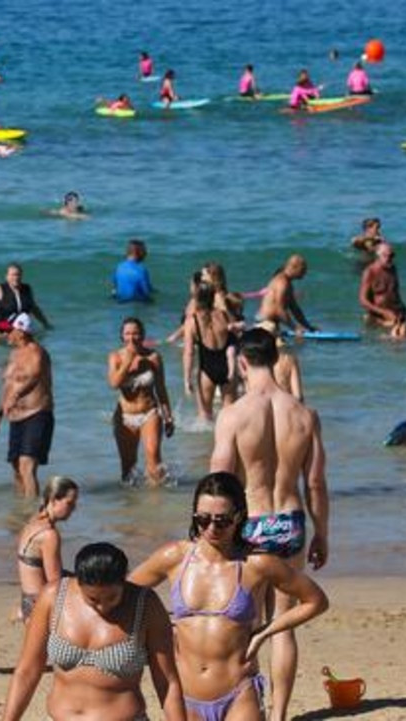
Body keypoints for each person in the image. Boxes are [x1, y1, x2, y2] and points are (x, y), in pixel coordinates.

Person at [129, 472, 329, 721]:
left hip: (238, 694)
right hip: (185, 697)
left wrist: (267, 631)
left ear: (239, 516)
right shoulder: (175, 557)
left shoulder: (256, 563)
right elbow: (125, 593)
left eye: (221, 521)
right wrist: (159, 625)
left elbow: (316, 601)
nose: (211, 528)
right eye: (202, 519)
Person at [209, 329, 328, 721]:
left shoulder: (234, 414)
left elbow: (220, 480)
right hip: (291, 522)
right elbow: (314, 482)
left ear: (242, 362)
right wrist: (322, 533)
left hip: (253, 525)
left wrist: (208, 535)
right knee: (283, 624)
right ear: (277, 359)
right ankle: (277, 715)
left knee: (247, 623)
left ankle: (248, 708)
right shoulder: (304, 414)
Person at [3, 542, 184, 721]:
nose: (103, 606)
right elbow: (27, 671)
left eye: (112, 597)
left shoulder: (145, 605)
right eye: (93, 599)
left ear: (124, 582)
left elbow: (167, 683)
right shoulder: (53, 596)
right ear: (78, 582)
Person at [0, 314, 55, 498]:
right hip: (16, 417)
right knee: (15, 467)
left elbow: (34, 376)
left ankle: (34, 514)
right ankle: (21, 514)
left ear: (20, 331)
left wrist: (17, 395)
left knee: (26, 465)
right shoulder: (13, 354)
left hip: (37, 413)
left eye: (7, 330)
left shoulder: (38, 353)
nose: (5, 334)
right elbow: (8, 385)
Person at [109, 317, 173, 485]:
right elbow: (114, 383)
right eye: (127, 334)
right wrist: (128, 361)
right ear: (122, 336)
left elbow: (161, 389)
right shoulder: (115, 357)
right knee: (128, 466)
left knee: (153, 458)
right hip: (125, 416)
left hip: (149, 412)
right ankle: (132, 506)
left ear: (143, 335)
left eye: (136, 333)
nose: (132, 337)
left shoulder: (153, 357)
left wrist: (168, 417)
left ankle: (156, 502)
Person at [14, 476, 78, 622]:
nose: (74, 509)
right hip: (40, 605)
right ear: (54, 499)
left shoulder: (33, 522)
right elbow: (54, 582)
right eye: (70, 503)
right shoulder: (49, 535)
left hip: (27, 601)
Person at [183, 284, 238, 421]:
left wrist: (187, 379)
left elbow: (188, 353)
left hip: (207, 370)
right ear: (213, 298)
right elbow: (237, 333)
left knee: (204, 416)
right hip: (227, 366)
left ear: (196, 299)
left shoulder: (192, 322)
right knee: (229, 413)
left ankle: (207, 442)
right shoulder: (223, 315)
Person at [0, 263, 51, 335]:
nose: (16, 277)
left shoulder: (27, 289)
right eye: (13, 275)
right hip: (3, 327)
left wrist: (45, 323)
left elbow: (34, 308)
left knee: (35, 344)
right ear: (7, 276)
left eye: (18, 274)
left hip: (23, 327)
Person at [257, 254, 318, 334]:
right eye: (303, 270)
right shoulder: (282, 283)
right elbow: (279, 309)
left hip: (270, 324)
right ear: (294, 267)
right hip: (266, 325)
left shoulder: (287, 283)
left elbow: (295, 309)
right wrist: (294, 328)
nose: (305, 273)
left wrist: (308, 327)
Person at [359, 242, 406, 339]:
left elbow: (394, 292)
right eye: (387, 256)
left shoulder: (392, 269)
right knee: (394, 341)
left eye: (392, 255)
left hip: (395, 312)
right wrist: (384, 313)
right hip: (379, 316)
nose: (390, 259)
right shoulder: (370, 272)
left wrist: (402, 308)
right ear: (378, 255)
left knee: (404, 336)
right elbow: (363, 300)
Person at [113, 238, 153, 303]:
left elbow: (115, 286)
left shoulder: (119, 266)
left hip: (120, 299)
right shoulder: (142, 270)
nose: (146, 253)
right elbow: (146, 291)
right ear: (140, 253)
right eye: (145, 251)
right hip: (135, 299)